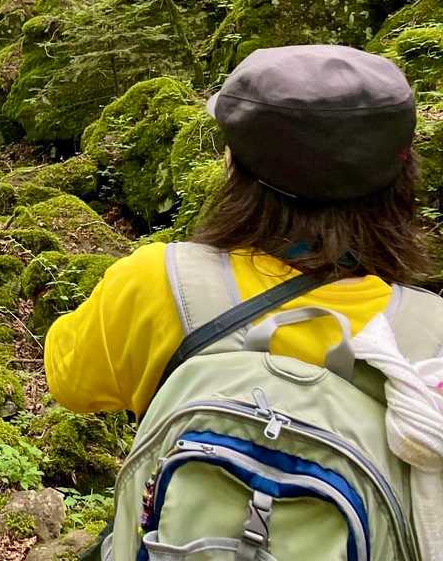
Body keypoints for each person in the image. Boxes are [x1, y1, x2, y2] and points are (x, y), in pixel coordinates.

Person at [45, 43, 440, 420]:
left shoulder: (160, 283)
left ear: (235, 168)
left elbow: (69, 382)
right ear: (403, 176)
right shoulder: (431, 333)